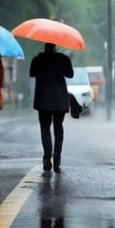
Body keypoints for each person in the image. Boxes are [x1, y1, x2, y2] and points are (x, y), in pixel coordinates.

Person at [30, 43, 75, 173]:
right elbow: (70, 74)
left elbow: (32, 73)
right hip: (59, 100)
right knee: (58, 128)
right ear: (55, 47)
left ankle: (46, 158)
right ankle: (57, 157)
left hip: (43, 100)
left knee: (45, 129)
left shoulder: (38, 59)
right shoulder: (63, 59)